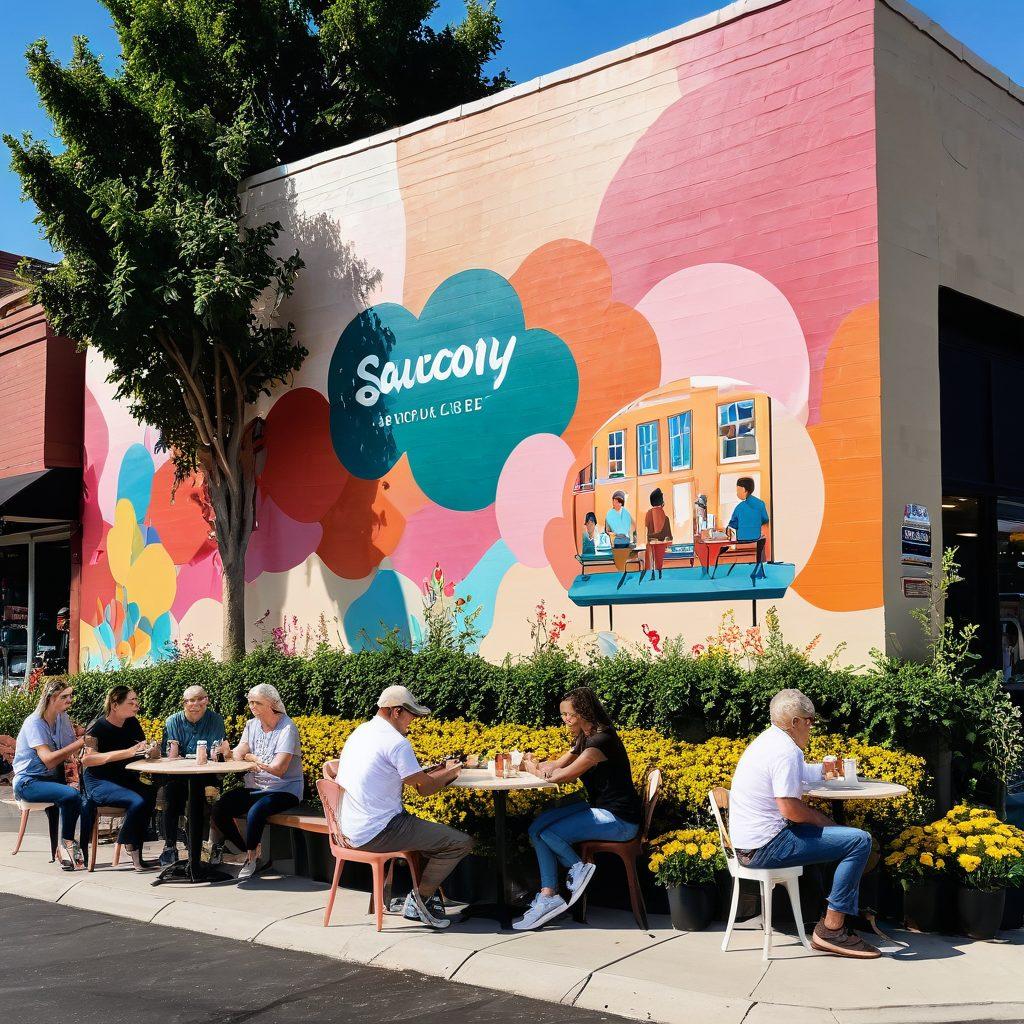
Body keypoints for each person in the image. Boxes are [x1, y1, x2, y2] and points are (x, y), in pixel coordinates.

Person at [728, 688, 879, 959]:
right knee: (859, 840)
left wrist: (827, 771)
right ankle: (832, 929)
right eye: (808, 719)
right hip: (766, 847)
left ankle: (836, 917)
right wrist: (826, 822)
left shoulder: (769, 740)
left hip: (750, 845)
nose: (812, 725)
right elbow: (790, 809)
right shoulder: (785, 751)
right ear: (795, 722)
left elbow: (798, 774)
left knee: (846, 839)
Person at [334, 685, 472, 930]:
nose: (414, 722)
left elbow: (409, 777)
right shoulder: (396, 742)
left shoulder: (360, 732)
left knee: (426, 836)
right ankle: (421, 900)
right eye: (412, 715)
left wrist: (430, 773)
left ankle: (422, 898)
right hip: (378, 831)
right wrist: (452, 772)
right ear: (396, 712)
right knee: (460, 842)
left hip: (347, 829)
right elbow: (425, 789)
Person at [516, 687, 642, 931]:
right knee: (536, 829)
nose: (565, 720)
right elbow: (555, 766)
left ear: (584, 712)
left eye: (569, 715)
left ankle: (576, 868)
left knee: (548, 833)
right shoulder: (586, 736)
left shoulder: (600, 742)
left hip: (619, 820)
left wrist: (533, 769)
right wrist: (530, 764)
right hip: (599, 808)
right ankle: (549, 896)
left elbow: (561, 777)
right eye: (563, 715)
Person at [209, 683, 303, 881]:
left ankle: (251, 858)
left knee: (256, 811)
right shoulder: (252, 725)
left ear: (271, 704)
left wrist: (251, 758)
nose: (252, 707)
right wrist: (229, 753)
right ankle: (248, 849)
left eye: (257, 703)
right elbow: (239, 752)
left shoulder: (287, 727)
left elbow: (279, 769)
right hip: (255, 787)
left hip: (284, 789)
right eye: (250, 702)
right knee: (220, 807)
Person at [81, 687, 158, 872]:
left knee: (150, 792)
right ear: (115, 705)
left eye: (136, 701)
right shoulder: (97, 727)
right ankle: (130, 845)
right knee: (137, 800)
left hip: (125, 778)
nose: (136, 705)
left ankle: (133, 848)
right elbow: (88, 759)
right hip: (99, 781)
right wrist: (126, 753)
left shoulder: (133, 723)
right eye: (131, 702)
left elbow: (138, 751)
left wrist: (152, 752)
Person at [11, 679, 86, 870]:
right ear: (51, 698)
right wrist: (79, 743)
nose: (70, 700)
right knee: (71, 795)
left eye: (70, 695)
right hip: (28, 782)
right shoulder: (34, 722)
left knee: (84, 796)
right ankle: (66, 844)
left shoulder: (63, 718)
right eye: (64, 696)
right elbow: (49, 759)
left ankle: (67, 845)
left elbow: (72, 752)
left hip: (51, 778)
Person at [157, 685, 229, 867]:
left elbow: (214, 752)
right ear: (184, 703)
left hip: (206, 775)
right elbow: (172, 754)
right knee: (170, 796)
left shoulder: (215, 720)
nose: (194, 704)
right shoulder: (173, 721)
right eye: (189, 700)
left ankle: (201, 850)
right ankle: (170, 846)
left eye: (199, 699)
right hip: (178, 775)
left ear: (207, 700)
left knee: (206, 799)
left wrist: (215, 753)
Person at [643, 487, 673, 579]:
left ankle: (652, 573)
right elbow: (667, 534)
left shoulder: (648, 513)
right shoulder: (664, 516)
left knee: (652, 559)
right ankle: (659, 573)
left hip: (650, 541)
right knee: (659, 559)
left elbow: (646, 528)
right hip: (661, 542)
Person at [604, 491, 634, 573]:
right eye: (614, 501)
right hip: (616, 543)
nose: (615, 503)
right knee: (619, 565)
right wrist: (614, 534)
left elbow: (632, 526)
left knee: (625, 564)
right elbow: (607, 530)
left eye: (618, 502)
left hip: (626, 542)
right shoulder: (609, 514)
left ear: (622, 503)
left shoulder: (626, 513)